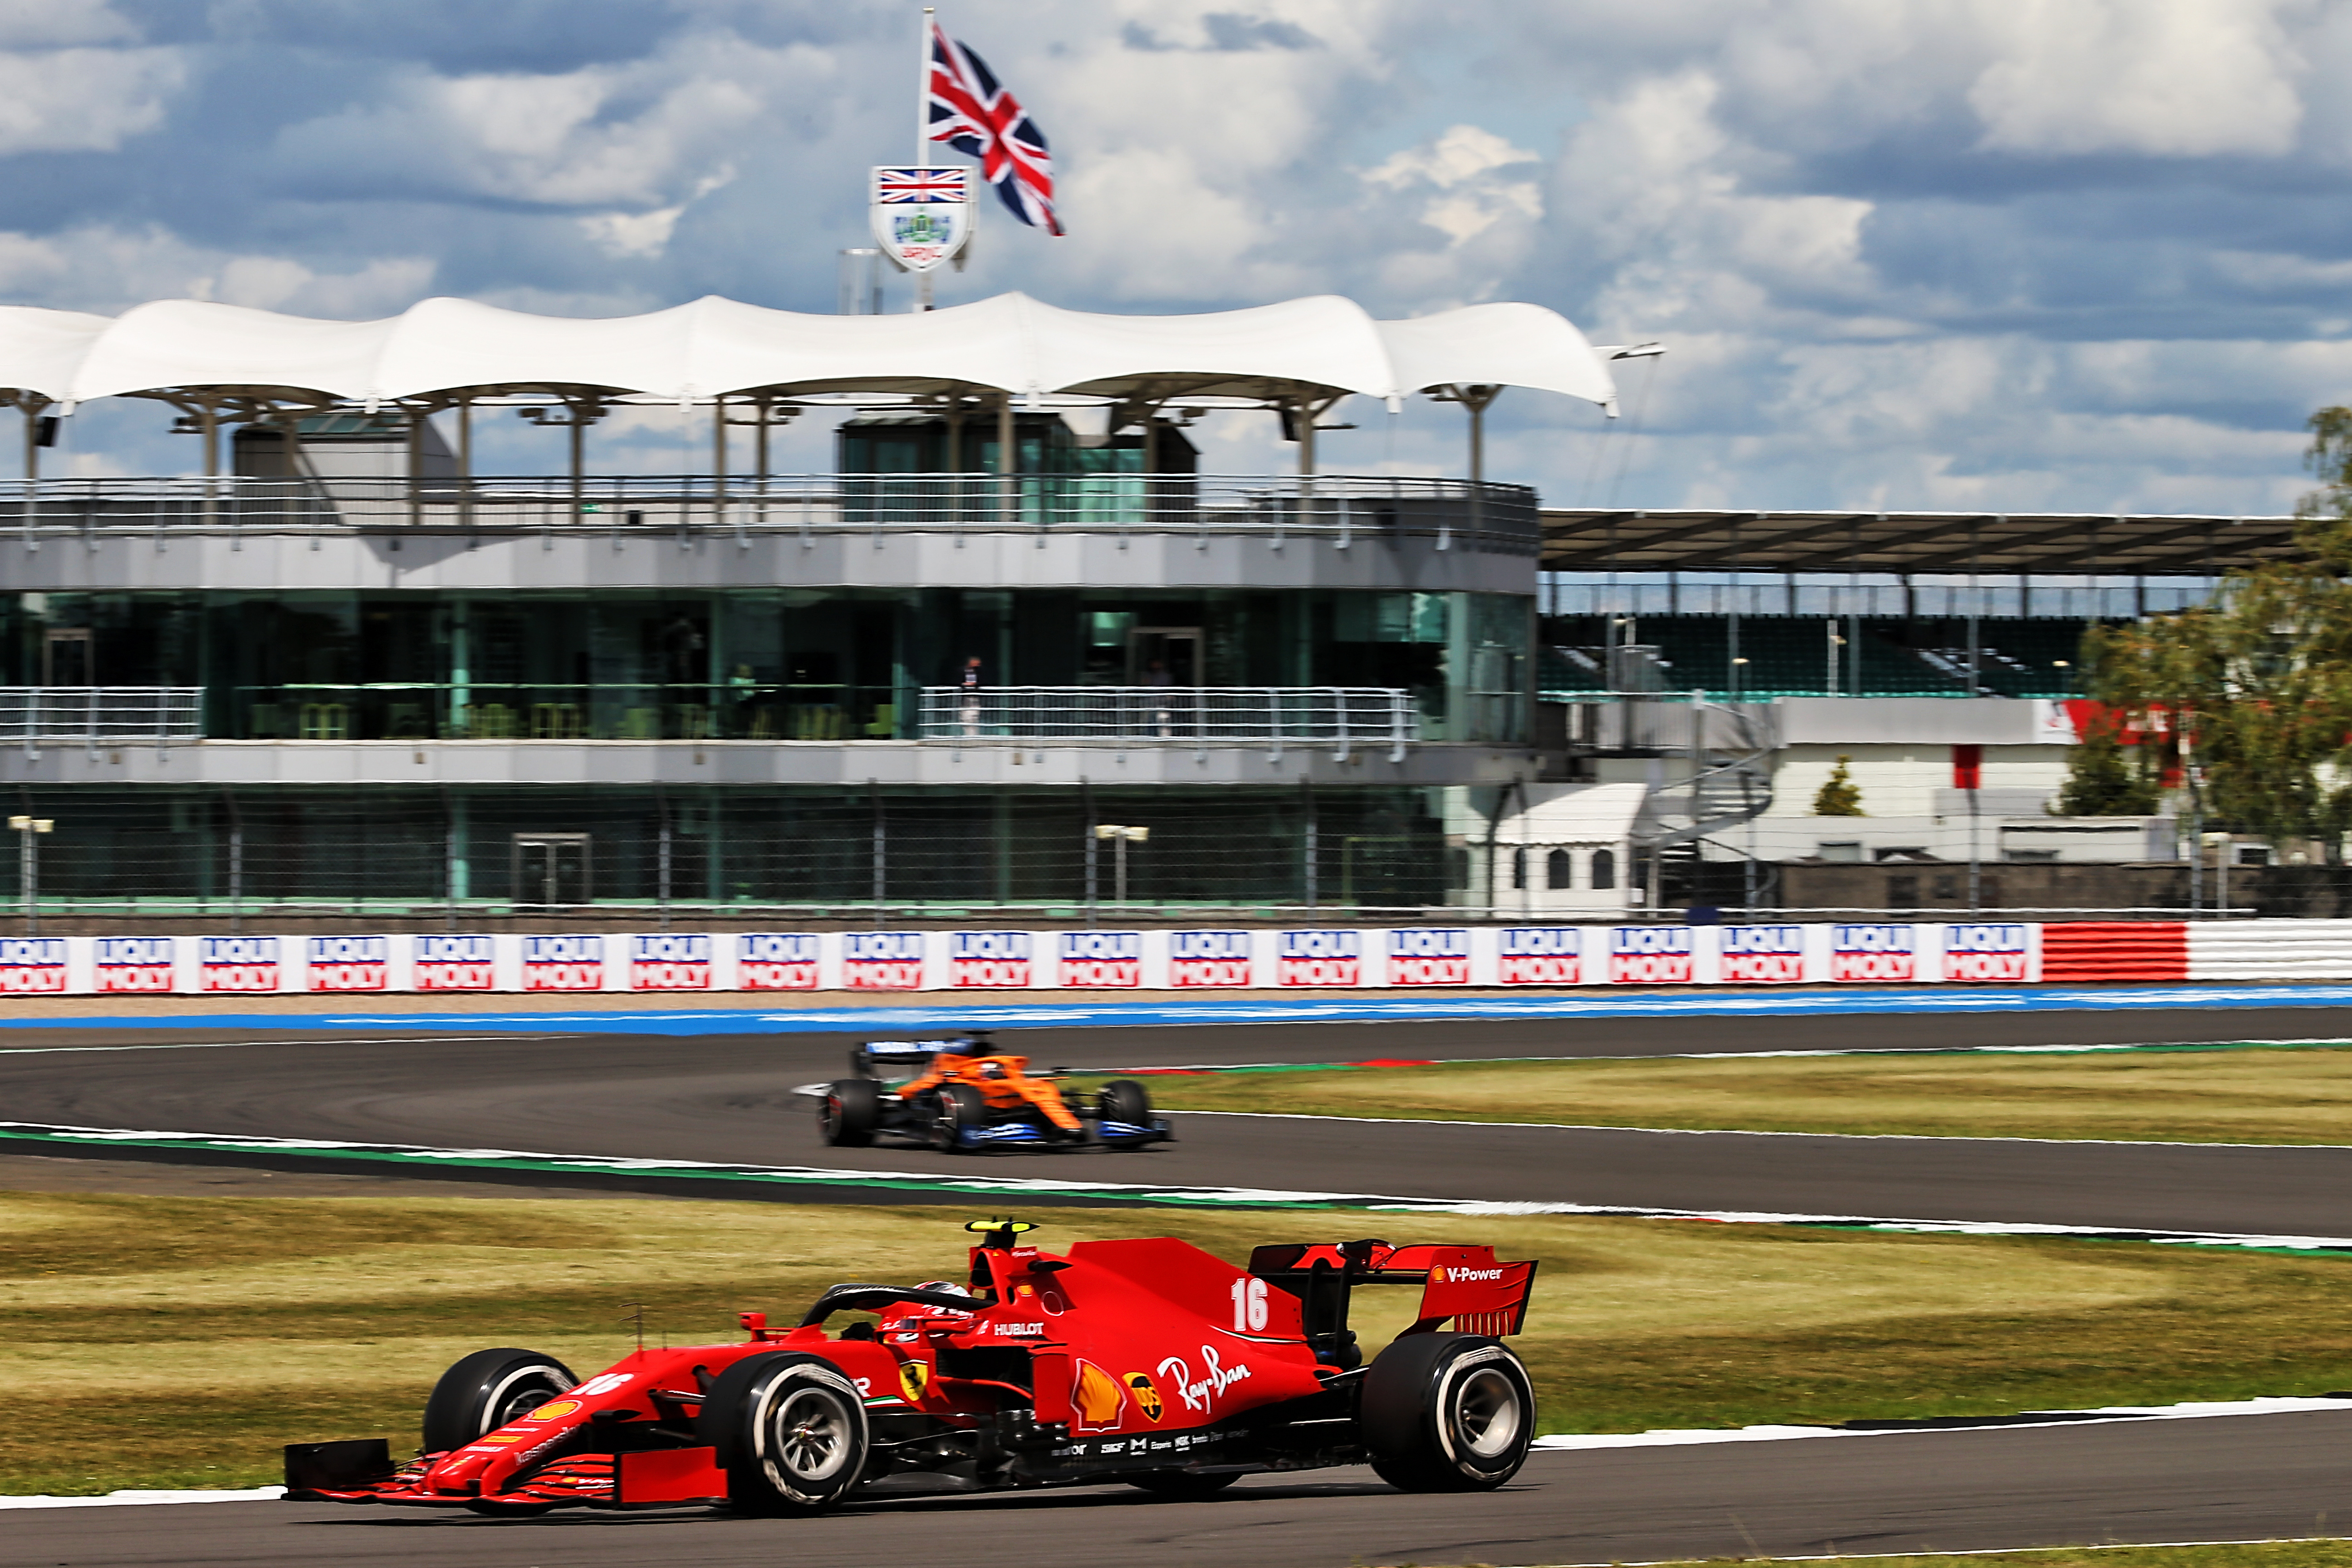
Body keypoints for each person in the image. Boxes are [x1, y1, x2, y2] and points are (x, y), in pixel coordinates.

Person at [959, 655, 983, 737]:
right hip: (966, 698)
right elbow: (959, 682)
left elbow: (981, 682)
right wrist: (965, 685)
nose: (978, 666)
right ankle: (969, 737)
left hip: (975, 698)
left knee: (974, 718)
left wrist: (974, 685)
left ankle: (974, 737)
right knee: (966, 718)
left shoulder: (978, 672)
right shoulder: (963, 672)